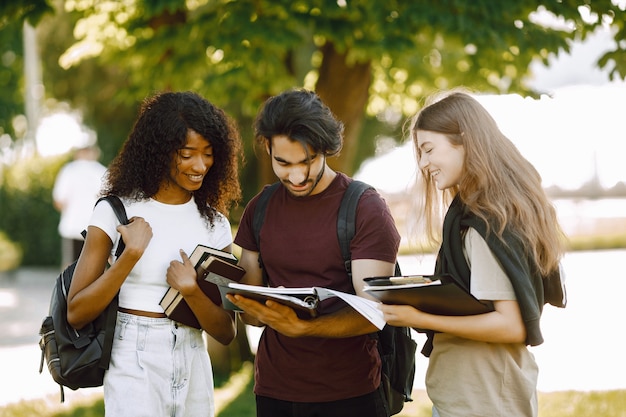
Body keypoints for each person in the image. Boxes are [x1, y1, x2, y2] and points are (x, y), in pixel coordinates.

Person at [380, 90, 565, 417]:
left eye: (428, 150)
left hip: (483, 399)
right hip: (477, 393)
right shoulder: (496, 212)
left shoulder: (484, 223)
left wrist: (417, 317)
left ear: (463, 140)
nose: (423, 164)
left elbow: (511, 325)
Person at [66, 91, 243, 417]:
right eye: (187, 154)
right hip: (133, 354)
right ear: (160, 152)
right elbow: (76, 312)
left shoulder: (214, 224)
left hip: (193, 356)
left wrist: (190, 291)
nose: (200, 165)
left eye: (208, 153)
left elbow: (226, 330)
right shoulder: (115, 211)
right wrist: (129, 257)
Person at [227, 88, 401, 417]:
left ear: (326, 149)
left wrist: (305, 328)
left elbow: (376, 312)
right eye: (283, 163)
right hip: (274, 391)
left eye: (307, 162)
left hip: (350, 392)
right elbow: (249, 313)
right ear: (268, 147)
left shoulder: (365, 207)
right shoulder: (259, 208)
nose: (296, 175)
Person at [52, 144, 107, 268]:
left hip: (72, 228)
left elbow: (59, 202)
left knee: (70, 268)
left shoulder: (68, 170)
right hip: (97, 228)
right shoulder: (103, 171)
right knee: (96, 268)